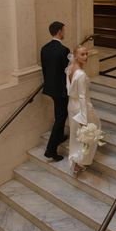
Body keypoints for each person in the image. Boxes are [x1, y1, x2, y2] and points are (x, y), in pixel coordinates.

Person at [66, 45, 101, 174]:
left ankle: (75, 160)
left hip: (71, 105)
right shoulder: (80, 74)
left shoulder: (69, 68)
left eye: (86, 54)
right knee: (90, 133)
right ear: (75, 55)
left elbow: (69, 89)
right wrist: (84, 118)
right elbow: (81, 96)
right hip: (81, 106)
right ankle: (80, 162)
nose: (86, 57)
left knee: (76, 135)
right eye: (82, 54)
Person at [41, 21, 70, 161]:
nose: (64, 33)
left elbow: (45, 70)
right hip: (61, 90)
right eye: (64, 30)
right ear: (59, 32)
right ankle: (50, 150)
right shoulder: (64, 50)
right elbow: (67, 72)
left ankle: (59, 136)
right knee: (60, 117)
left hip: (50, 88)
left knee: (60, 114)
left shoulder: (44, 48)